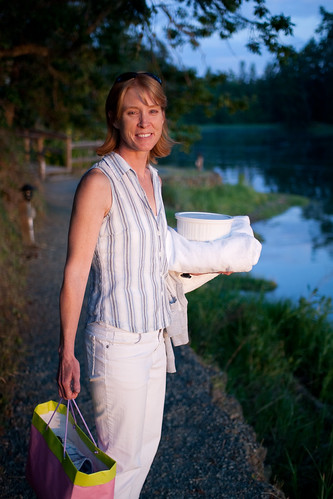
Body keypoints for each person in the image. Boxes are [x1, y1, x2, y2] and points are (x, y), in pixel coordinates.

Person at [57, 71, 261, 498]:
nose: (144, 122)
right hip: (116, 344)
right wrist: (67, 352)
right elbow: (76, 271)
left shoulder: (154, 179)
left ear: (163, 117)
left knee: (143, 454)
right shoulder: (99, 183)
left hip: (153, 340)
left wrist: (210, 267)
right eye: (133, 112)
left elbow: (157, 261)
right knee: (119, 463)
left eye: (153, 111)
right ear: (115, 118)